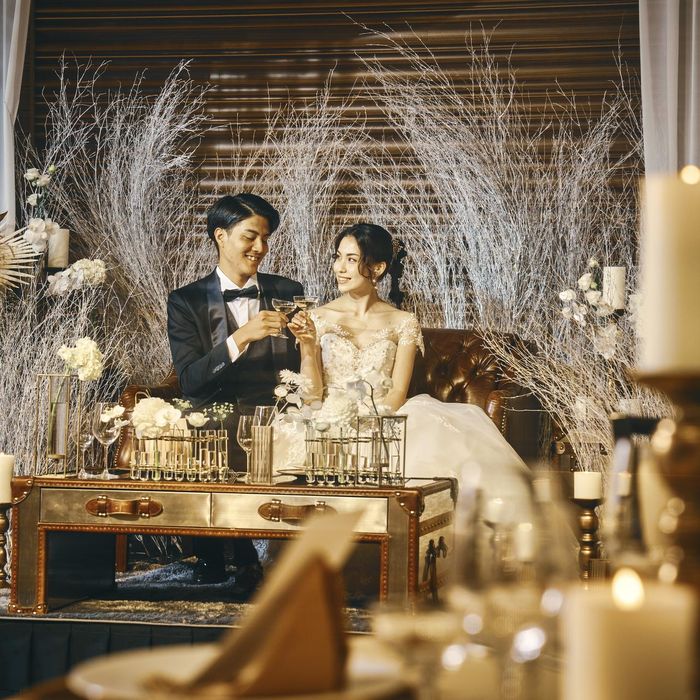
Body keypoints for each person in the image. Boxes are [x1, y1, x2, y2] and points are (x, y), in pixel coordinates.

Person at [287, 223, 531, 511]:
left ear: (377, 268)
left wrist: (367, 425)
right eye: (338, 257)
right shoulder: (316, 317)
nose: (340, 267)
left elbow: (397, 393)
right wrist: (307, 345)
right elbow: (311, 397)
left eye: (351, 259)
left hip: (383, 418)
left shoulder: (403, 321)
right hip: (327, 419)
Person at [167, 193, 303, 589]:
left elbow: (301, 369)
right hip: (216, 412)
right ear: (220, 236)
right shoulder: (187, 300)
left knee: (270, 428)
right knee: (212, 426)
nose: (260, 247)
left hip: (274, 412)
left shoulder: (288, 290)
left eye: (265, 238)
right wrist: (241, 337)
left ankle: (254, 559)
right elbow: (190, 380)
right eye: (250, 236)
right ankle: (223, 555)